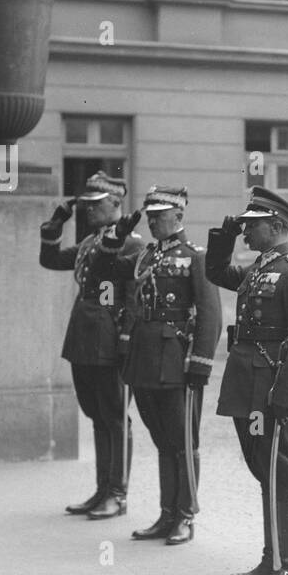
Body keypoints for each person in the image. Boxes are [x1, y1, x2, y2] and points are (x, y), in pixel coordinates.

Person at [207, 187, 288, 575]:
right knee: (263, 471)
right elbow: (216, 273)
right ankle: (270, 558)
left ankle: (287, 567)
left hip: (273, 388)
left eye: (251, 226)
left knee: (282, 473)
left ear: (276, 226)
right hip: (247, 384)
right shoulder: (258, 269)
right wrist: (222, 238)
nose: (245, 233)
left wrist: (286, 397)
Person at [98, 186, 222, 545]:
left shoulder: (196, 257)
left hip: (176, 360)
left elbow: (210, 314)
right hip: (144, 357)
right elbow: (106, 266)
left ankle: (186, 515)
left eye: (159, 216)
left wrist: (200, 364)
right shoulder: (146, 256)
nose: (152, 222)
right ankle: (167, 513)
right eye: (149, 217)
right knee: (163, 441)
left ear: (179, 217)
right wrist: (117, 236)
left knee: (183, 441)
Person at [39, 173, 143, 520]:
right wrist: (56, 223)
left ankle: (118, 493)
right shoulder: (89, 242)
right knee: (97, 415)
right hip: (84, 337)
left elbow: (132, 299)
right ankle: (102, 489)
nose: (89, 212)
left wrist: (127, 342)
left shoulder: (131, 244)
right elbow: (50, 260)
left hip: (111, 339)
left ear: (116, 205)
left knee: (115, 417)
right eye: (86, 207)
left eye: (95, 206)